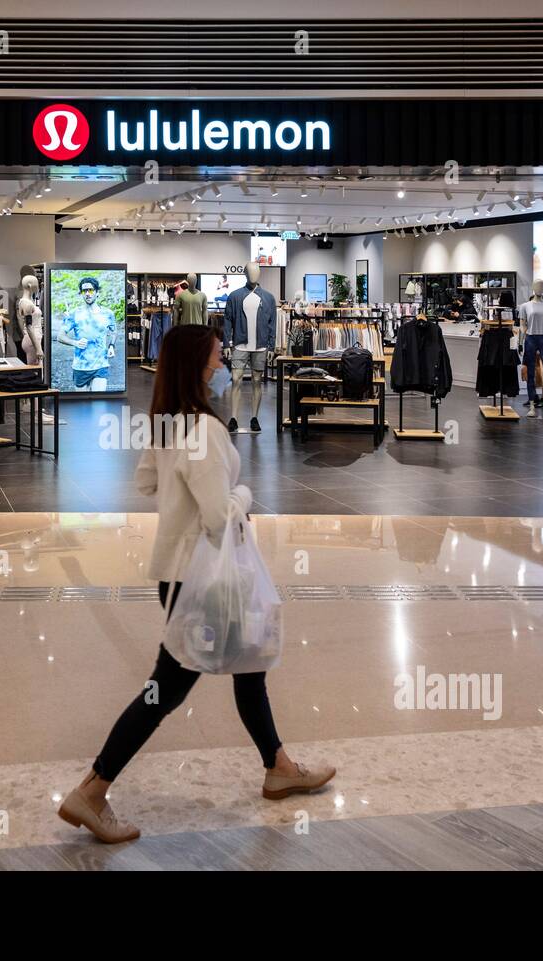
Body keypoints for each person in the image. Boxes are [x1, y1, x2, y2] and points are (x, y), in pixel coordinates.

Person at [57, 325, 336, 844]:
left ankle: (278, 766)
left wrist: (183, 483)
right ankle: (92, 791)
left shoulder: (166, 422)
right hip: (202, 573)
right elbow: (214, 517)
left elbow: (147, 482)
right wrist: (244, 495)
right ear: (198, 364)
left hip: (179, 570)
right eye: (216, 355)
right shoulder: (204, 429)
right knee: (165, 690)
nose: (223, 362)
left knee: (248, 667)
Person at [57, 275, 116, 391]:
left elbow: (113, 332)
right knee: (82, 403)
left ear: (97, 292)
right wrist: (75, 343)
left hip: (101, 365)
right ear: (81, 293)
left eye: (91, 290)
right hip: (81, 367)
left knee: (98, 403)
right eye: (84, 291)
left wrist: (111, 346)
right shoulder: (74, 314)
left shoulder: (108, 314)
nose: (87, 293)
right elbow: (60, 336)